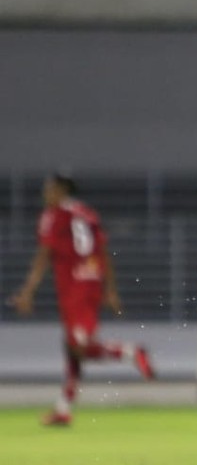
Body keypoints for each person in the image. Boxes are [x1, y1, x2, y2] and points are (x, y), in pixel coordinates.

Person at [8, 174, 155, 427]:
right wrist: (110, 290)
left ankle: (131, 352)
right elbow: (103, 253)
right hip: (91, 282)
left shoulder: (53, 216)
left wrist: (27, 291)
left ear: (61, 190)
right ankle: (63, 409)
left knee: (79, 348)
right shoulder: (87, 213)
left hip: (75, 287)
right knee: (71, 347)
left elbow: (43, 255)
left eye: (49, 189)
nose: (45, 194)